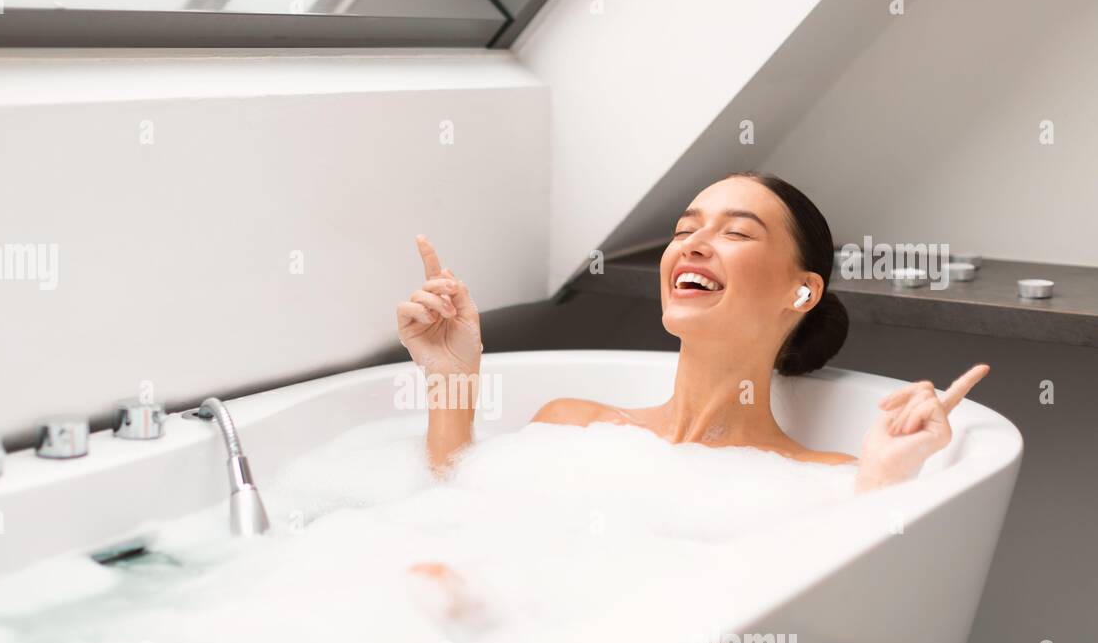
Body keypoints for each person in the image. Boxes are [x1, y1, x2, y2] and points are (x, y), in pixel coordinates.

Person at [396, 171, 988, 494]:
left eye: (736, 232)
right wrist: (452, 380)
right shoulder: (570, 424)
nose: (693, 244)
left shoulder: (824, 482)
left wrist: (887, 478)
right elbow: (452, 511)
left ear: (802, 291)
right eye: (685, 230)